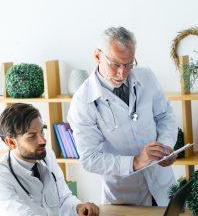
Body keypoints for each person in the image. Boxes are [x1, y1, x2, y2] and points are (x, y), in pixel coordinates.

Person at [0, 103, 134, 216]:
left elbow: (63, 197)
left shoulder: (45, 154)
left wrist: (78, 208)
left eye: (41, 131)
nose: (42, 140)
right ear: (11, 142)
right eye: (32, 136)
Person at [67, 26, 178, 206]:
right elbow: (90, 159)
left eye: (128, 64)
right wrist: (135, 162)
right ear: (97, 56)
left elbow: (165, 116)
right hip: (125, 197)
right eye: (115, 64)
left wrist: (165, 148)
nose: (123, 73)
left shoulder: (146, 77)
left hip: (164, 187)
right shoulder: (83, 102)